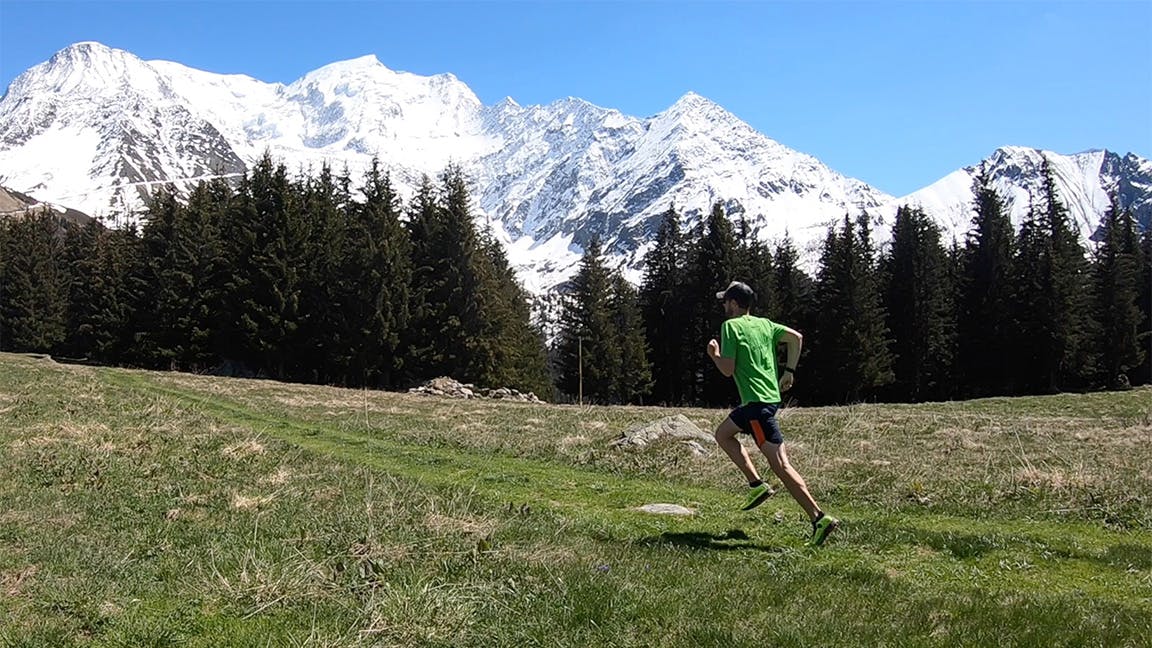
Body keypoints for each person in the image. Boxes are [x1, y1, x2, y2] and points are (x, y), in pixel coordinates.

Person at [706, 280, 839, 547]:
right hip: (765, 401)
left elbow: (728, 370)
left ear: (733, 303)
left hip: (756, 405)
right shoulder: (765, 324)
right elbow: (796, 338)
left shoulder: (730, 326)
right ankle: (756, 484)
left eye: (725, 301)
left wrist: (714, 353)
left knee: (781, 466)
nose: (723, 306)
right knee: (723, 434)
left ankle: (819, 517)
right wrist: (789, 371)